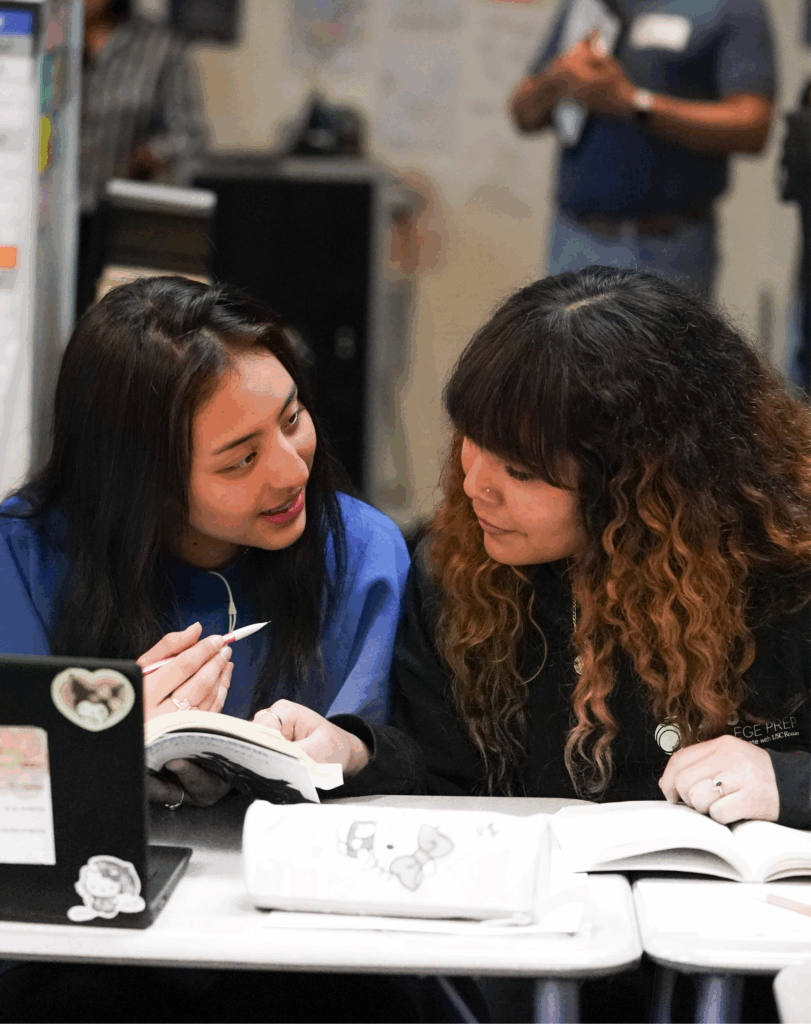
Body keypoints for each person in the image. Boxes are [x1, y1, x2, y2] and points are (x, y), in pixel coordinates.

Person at [269, 266, 810, 833]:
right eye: (471, 439)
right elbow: (443, 784)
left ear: (642, 487)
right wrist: (358, 754)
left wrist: (787, 782)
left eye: (522, 472)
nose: (476, 482)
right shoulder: (456, 573)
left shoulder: (786, 569)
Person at [0, 274, 409, 809]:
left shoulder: (363, 555)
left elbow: (411, 779)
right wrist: (93, 752)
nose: (292, 472)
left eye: (293, 418)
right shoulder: (24, 555)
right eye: (241, 460)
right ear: (145, 484)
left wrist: (352, 752)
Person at [509, 0, 776, 296]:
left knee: (669, 343)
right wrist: (556, 79)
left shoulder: (731, 7)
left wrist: (632, 103)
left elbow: (753, 126)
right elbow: (523, 116)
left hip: (668, 248)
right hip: (575, 237)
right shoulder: (585, 4)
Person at [77, 0, 207, 314]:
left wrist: (149, 153)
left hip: (121, 213)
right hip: (51, 212)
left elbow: (189, 133)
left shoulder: (160, 44)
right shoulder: (51, 34)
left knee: (111, 318)